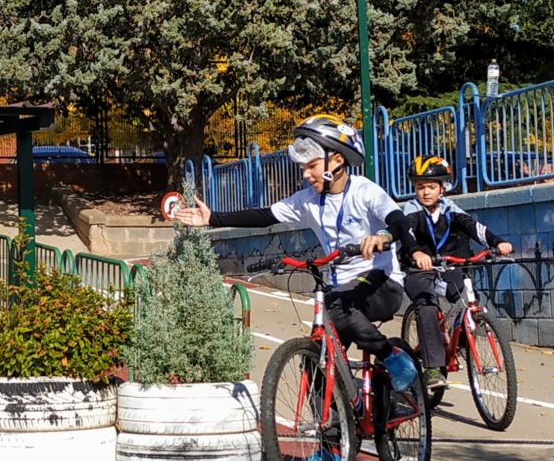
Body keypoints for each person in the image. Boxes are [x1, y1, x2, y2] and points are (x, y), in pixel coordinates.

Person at [174, 114, 424, 396]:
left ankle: (390, 355)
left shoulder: (365, 191)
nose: (305, 174)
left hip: (382, 282)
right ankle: (330, 435)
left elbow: (398, 221)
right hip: (343, 290)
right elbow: (266, 215)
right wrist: (213, 219)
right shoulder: (308, 200)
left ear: (337, 161)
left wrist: (385, 237)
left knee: (337, 306)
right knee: (317, 362)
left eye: (312, 166)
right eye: (304, 167)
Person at [401, 155, 513, 390]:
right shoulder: (411, 211)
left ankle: (461, 341)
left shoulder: (451, 210)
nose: (426, 192)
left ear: (443, 188)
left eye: (431, 187)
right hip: (419, 271)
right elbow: (406, 234)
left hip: (448, 267)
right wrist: (417, 254)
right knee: (428, 306)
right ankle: (432, 368)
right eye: (420, 187)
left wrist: (498, 242)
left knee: (466, 296)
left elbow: (474, 227)